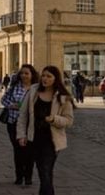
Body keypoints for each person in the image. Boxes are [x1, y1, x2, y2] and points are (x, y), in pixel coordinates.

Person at [17, 64, 76, 194]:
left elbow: (69, 120)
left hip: (52, 140)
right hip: (35, 138)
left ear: (56, 78)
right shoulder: (33, 91)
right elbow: (23, 115)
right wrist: (21, 135)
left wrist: (54, 119)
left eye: (49, 76)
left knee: (45, 170)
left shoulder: (63, 97)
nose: (45, 79)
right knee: (43, 171)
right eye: (43, 75)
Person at [2, 64, 38, 186]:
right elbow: (4, 100)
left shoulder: (36, 89)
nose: (23, 75)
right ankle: (19, 176)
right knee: (18, 149)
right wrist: (11, 105)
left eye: (26, 73)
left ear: (32, 75)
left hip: (30, 123)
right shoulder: (14, 87)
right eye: (22, 73)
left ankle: (28, 176)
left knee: (30, 150)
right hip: (13, 122)